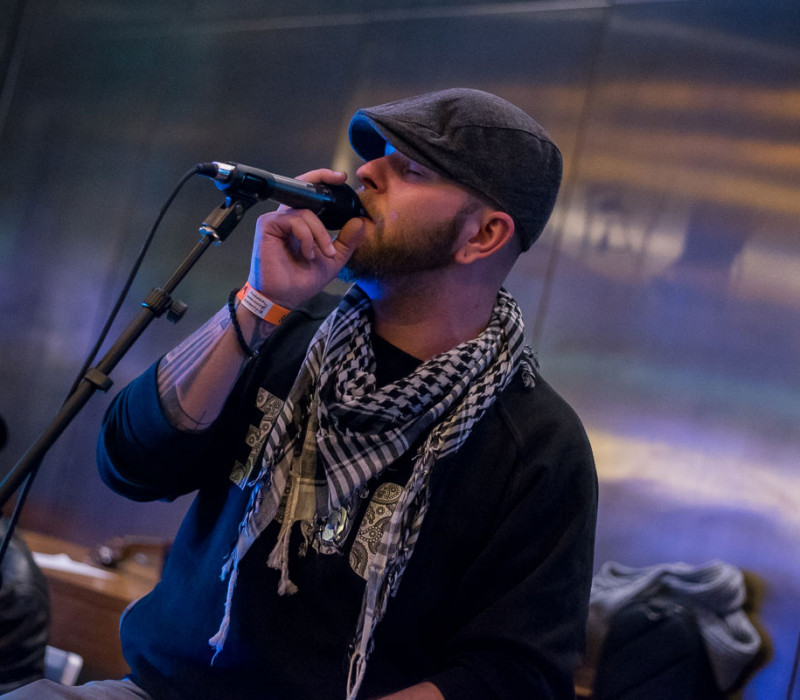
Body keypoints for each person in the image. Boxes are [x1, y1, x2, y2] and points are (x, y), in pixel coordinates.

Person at [8, 88, 597, 699]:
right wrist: (259, 303)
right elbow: (130, 463)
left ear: (484, 235)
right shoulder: (284, 333)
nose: (365, 172)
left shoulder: (537, 443)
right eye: (377, 158)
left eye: (411, 170)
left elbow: (515, 675)